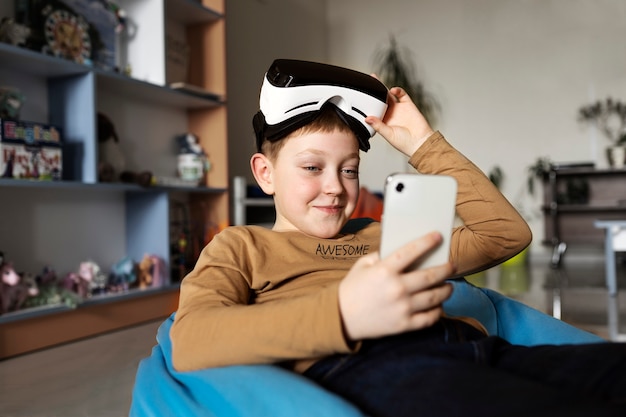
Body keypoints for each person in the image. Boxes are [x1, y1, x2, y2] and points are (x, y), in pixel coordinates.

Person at [170, 59, 626, 416]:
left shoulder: (382, 235)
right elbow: (191, 339)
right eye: (312, 168)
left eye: (350, 170)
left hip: (472, 348)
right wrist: (345, 314)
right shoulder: (241, 247)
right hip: (369, 366)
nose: (336, 186)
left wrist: (421, 142)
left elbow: (504, 235)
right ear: (264, 173)